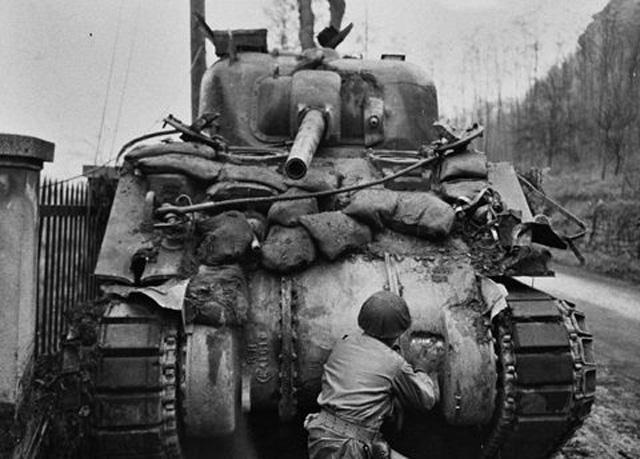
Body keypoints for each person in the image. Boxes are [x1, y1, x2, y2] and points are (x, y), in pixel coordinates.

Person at [305, 291, 440, 459]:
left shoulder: (344, 343)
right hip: (350, 446)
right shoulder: (393, 362)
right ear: (399, 331)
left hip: (321, 435)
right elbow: (426, 399)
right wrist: (423, 369)